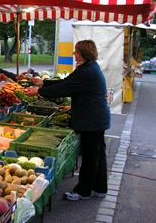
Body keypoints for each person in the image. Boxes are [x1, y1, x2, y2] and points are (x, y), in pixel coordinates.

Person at [25, 40, 110, 201]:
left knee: (91, 157)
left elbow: (64, 89)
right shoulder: (88, 68)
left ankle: (84, 191)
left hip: (92, 120)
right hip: (95, 118)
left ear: (84, 53)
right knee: (97, 155)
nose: (74, 54)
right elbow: (66, 82)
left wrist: (39, 91)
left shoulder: (87, 71)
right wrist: (44, 82)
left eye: (76, 51)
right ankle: (99, 188)